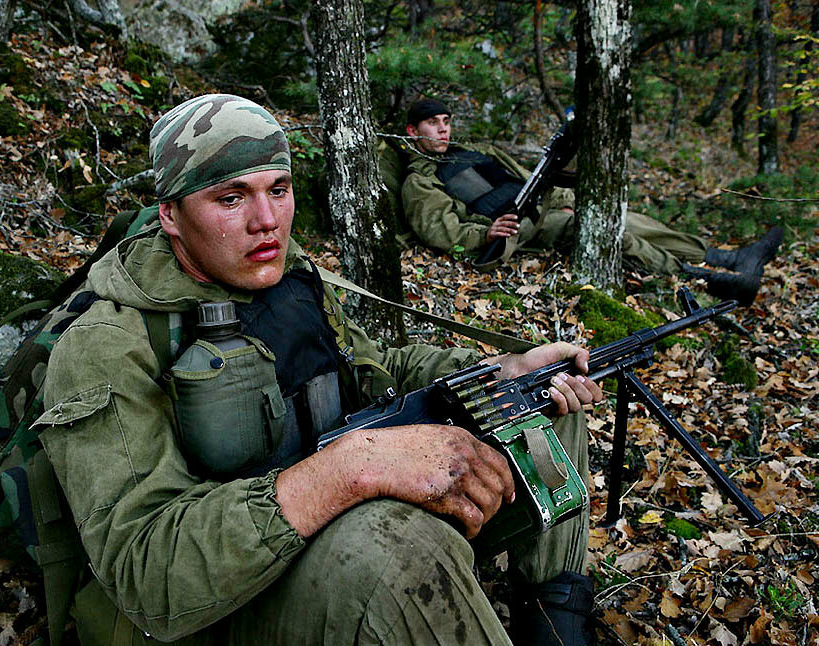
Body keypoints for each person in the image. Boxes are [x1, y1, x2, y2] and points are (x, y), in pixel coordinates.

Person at [33, 94, 603, 646]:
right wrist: (352, 468)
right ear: (171, 215)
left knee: (539, 408)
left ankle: (557, 630)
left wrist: (501, 372)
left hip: (321, 525)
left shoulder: (289, 279)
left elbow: (377, 370)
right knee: (398, 549)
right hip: (215, 603)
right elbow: (147, 574)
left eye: (278, 190)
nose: (267, 221)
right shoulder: (107, 345)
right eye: (231, 198)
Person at [397, 98, 782, 305]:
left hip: (539, 201)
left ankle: (728, 258)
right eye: (434, 123)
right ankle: (704, 279)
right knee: (601, 233)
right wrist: (484, 235)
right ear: (413, 131)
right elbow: (438, 229)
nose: (443, 129)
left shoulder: (473, 151)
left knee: (625, 219)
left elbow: (523, 176)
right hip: (518, 226)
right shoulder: (420, 179)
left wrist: (561, 192)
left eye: (446, 121)